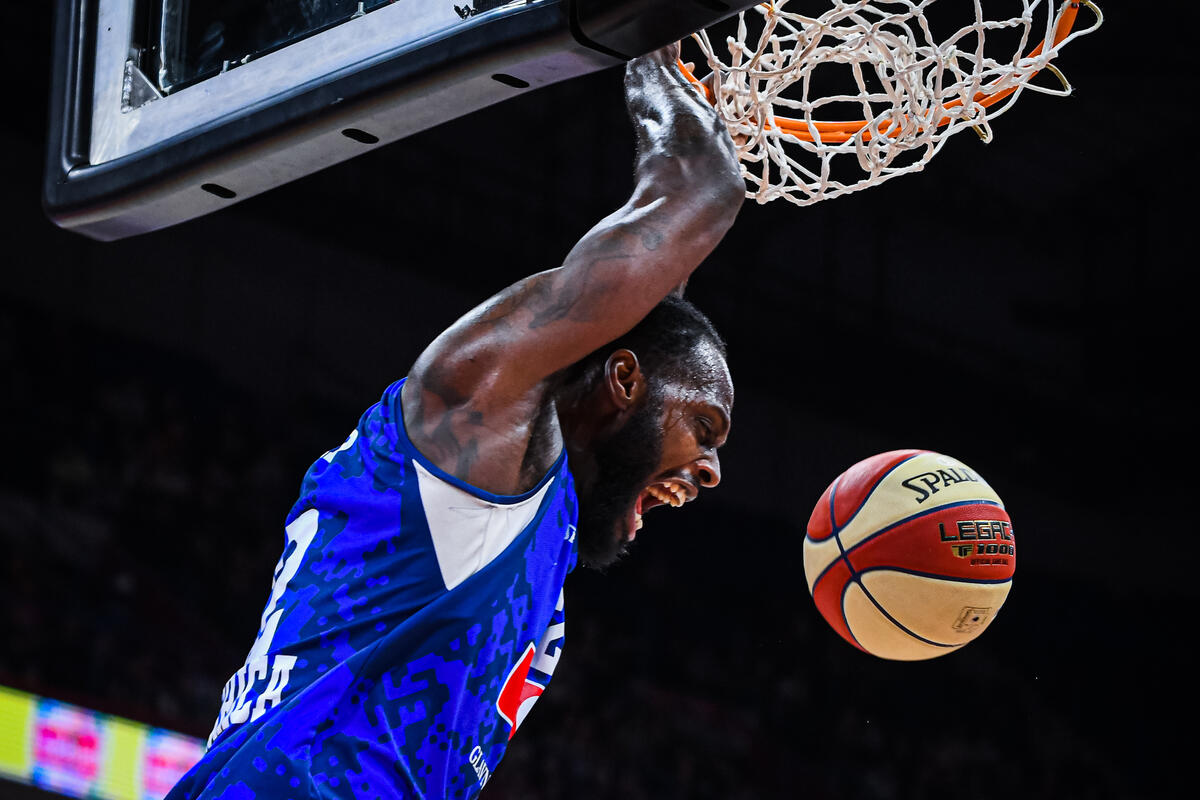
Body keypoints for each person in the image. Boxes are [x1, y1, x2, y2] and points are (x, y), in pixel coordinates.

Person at [166, 41, 743, 800]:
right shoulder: (479, 408)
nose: (712, 470)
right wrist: (652, 43)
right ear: (623, 382)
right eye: (704, 427)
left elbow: (653, 295)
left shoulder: (535, 506)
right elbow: (699, 196)